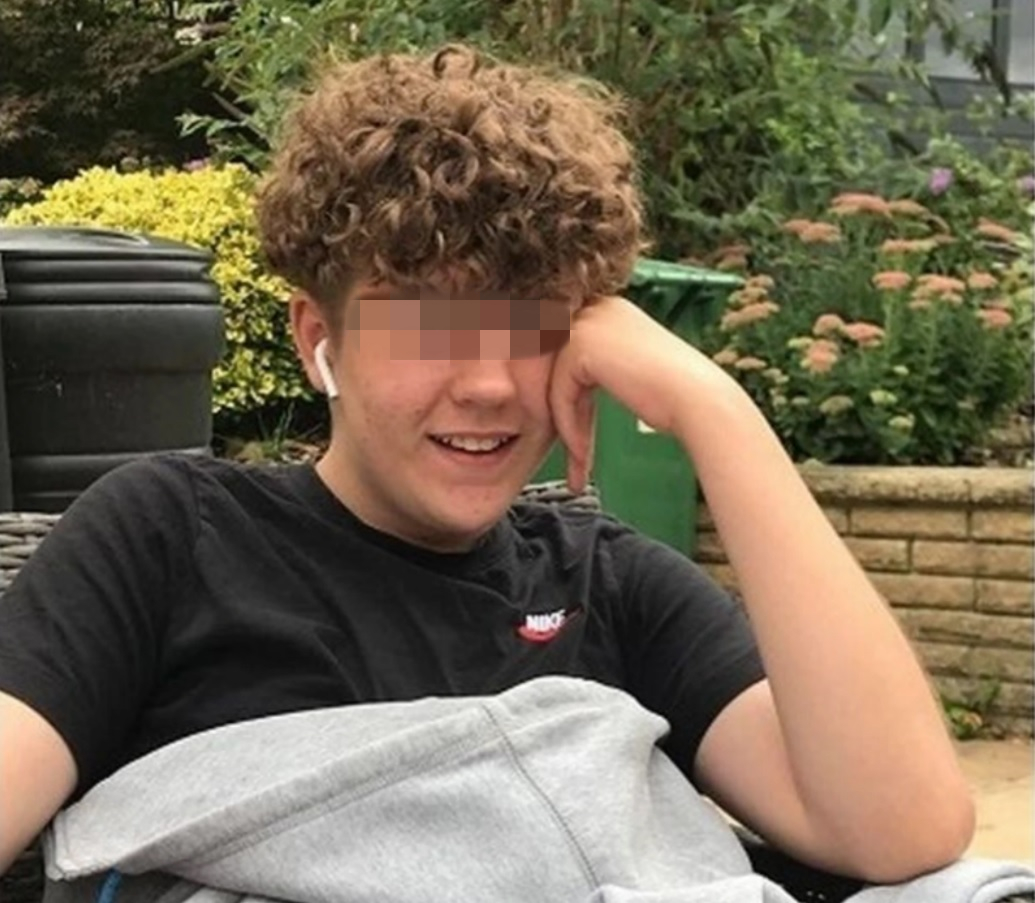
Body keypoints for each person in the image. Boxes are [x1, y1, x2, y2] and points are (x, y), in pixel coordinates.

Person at [0, 44, 973, 882]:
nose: (490, 385)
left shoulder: (608, 587)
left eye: (534, 326)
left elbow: (902, 830)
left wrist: (714, 411)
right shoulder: (168, 539)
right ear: (317, 340)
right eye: (428, 326)